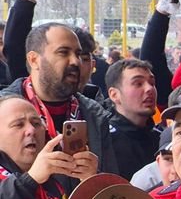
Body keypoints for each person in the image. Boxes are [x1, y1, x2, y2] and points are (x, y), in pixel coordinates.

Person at [1, 22, 118, 175]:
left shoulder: (95, 115)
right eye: (63, 52)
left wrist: (95, 179)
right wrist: (31, 179)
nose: (76, 61)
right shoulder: (4, 112)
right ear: (34, 60)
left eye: (78, 54)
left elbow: (113, 189)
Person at [105, 59, 160, 180]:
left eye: (152, 83)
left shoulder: (160, 139)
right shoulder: (104, 143)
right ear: (114, 95)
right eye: (138, 83)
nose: (149, 89)